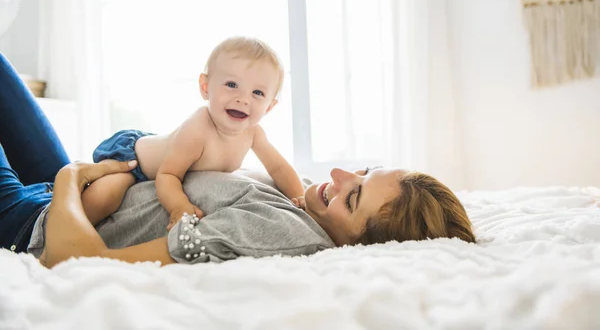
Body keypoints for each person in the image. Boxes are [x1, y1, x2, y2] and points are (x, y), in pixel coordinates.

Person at [0, 52, 476, 268]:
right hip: (75, 189)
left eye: (353, 197)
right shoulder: (307, 205)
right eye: (363, 171)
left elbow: (80, 261)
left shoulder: (280, 236)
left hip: (33, 223)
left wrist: (68, 181)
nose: (338, 175)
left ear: (362, 243)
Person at [82, 37, 306, 229]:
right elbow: (168, 175)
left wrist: (301, 197)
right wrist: (179, 206)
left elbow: (279, 168)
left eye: (257, 92)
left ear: (269, 106)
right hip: (133, 158)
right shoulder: (198, 129)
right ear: (205, 87)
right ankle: (63, 220)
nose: (243, 98)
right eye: (231, 84)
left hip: (165, 148)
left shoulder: (254, 133)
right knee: (104, 198)